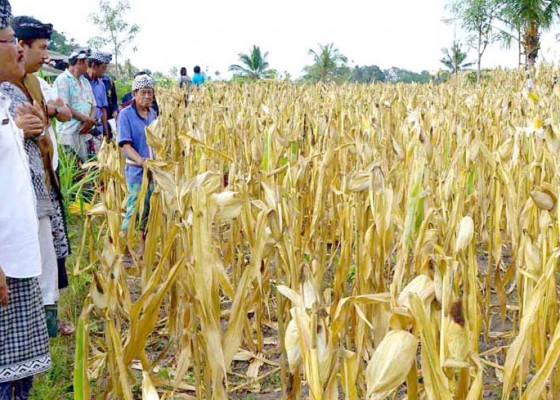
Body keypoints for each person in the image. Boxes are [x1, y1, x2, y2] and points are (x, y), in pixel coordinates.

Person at [0, 15, 73, 338]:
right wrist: (19, 131)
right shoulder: (9, 88)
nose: (46, 56)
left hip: (40, 187)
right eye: (40, 48)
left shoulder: (30, 83)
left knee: (46, 256)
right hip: (20, 202)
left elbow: (41, 122)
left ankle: (46, 328)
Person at [0, 1, 52, 397]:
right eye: (7, 40)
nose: (18, 48)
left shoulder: (7, 96)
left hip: (16, 260)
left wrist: (26, 131)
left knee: (19, 379)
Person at [117, 74, 157, 262]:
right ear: (134, 93)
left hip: (153, 171)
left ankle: (143, 249)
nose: (148, 96)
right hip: (136, 170)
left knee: (148, 210)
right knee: (133, 210)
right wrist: (142, 161)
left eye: (150, 93)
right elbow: (125, 145)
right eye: (144, 93)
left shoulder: (153, 115)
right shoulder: (125, 115)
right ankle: (121, 249)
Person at [52, 48, 97, 163]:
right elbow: (64, 106)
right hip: (69, 133)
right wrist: (86, 120)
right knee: (76, 172)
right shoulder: (62, 80)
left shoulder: (85, 81)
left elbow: (93, 105)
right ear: (79, 62)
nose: (88, 65)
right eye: (87, 62)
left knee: (91, 169)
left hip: (86, 132)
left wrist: (90, 121)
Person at [85, 51, 111, 145]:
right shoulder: (81, 82)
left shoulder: (101, 85)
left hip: (98, 129)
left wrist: (106, 132)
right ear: (94, 65)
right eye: (103, 67)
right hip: (83, 128)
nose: (105, 71)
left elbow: (103, 110)